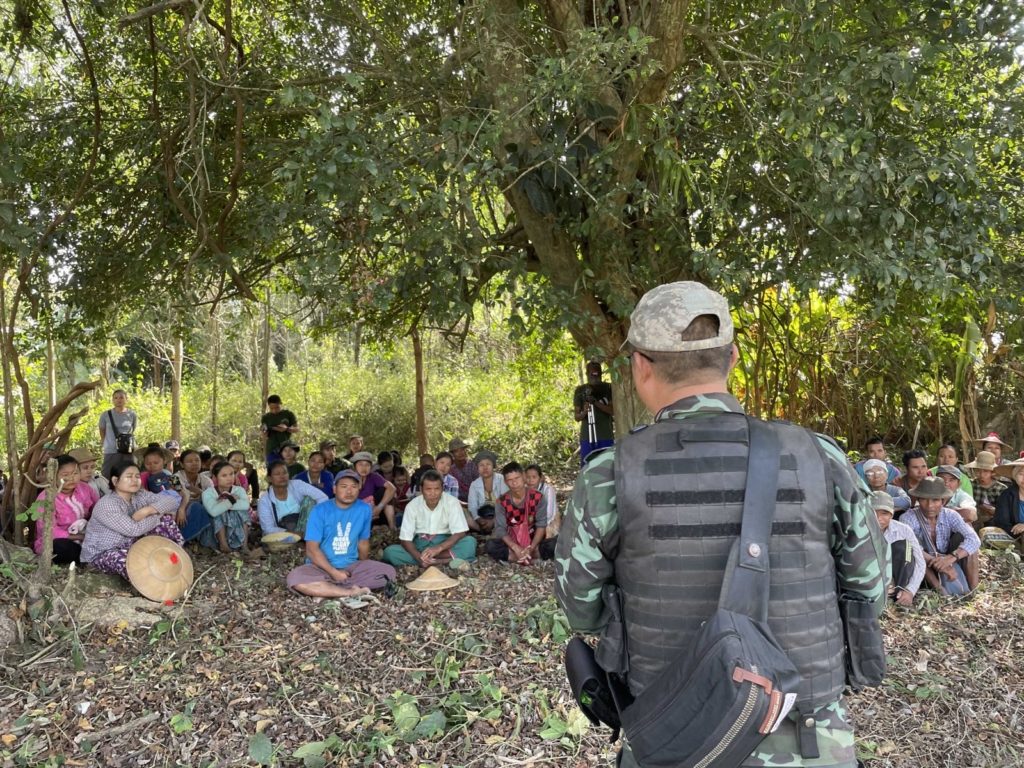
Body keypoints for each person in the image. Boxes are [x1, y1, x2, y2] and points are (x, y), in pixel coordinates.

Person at [555, 281, 886, 768]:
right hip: (809, 736)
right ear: (732, 357)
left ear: (641, 367)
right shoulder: (818, 456)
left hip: (674, 734)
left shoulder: (610, 472)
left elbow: (580, 611)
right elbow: (872, 588)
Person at [285, 470, 396, 599]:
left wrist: (363, 566)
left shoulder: (364, 509)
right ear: (334, 489)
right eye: (344, 487)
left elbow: (363, 542)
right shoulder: (319, 510)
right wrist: (334, 572)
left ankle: (327, 589)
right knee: (295, 578)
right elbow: (311, 549)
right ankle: (349, 591)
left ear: (359, 489)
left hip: (350, 566)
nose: (349, 491)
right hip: (321, 567)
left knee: (389, 572)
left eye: (353, 487)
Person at [80, 460, 184, 579]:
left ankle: (174, 558)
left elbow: (172, 500)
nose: (135, 480)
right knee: (133, 561)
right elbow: (133, 530)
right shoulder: (107, 504)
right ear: (115, 481)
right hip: (103, 553)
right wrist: (158, 514)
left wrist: (148, 510)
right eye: (129, 476)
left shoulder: (140, 494)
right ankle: (150, 582)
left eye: (137, 476)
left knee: (165, 520)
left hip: (129, 544)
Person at [902, 476, 981, 595]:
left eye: (935, 500)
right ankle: (941, 591)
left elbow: (974, 540)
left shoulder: (950, 515)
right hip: (922, 564)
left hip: (947, 556)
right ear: (918, 500)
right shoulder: (908, 517)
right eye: (924, 499)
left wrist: (950, 558)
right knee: (912, 551)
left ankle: (974, 591)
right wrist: (941, 565)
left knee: (970, 544)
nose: (930, 506)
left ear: (943, 501)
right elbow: (913, 548)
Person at [382, 470, 477, 568]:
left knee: (469, 542)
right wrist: (419, 558)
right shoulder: (412, 506)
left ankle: (435, 560)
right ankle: (444, 561)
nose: (433, 493)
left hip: (445, 544)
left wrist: (438, 548)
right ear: (421, 489)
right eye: (428, 489)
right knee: (390, 552)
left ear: (442, 489)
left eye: (437, 489)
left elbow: (460, 533)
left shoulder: (452, 502)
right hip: (419, 545)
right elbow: (405, 539)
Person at [33, 454, 99, 565]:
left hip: (87, 533)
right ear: (53, 476)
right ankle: (85, 558)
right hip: (63, 540)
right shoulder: (46, 498)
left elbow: (98, 510)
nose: (71, 478)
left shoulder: (85, 488)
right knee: (60, 548)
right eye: (65, 475)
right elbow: (49, 531)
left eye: (75, 473)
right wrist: (81, 537)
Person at [486, 462, 556, 564]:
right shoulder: (501, 501)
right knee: (490, 546)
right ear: (505, 482)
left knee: (556, 544)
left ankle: (518, 557)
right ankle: (530, 558)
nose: (514, 483)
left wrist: (531, 548)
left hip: (534, 542)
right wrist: (515, 548)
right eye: (510, 480)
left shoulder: (538, 497)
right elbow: (500, 528)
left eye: (517, 478)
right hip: (512, 542)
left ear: (523, 476)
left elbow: (541, 525)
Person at [870, 492, 924, 607]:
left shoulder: (903, 530)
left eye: (884, 513)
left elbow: (920, 563)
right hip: (871, 580)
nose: (878, 518)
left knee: (904, 546)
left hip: (895, 578)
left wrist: (910, 590)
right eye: (873, 513)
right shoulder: (860, 530)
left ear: (892, 514)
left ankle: (900, 593)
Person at [200, 461, 262, 559]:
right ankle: (224, 546)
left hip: (235, 528)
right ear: (215, 478)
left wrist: (222, 503)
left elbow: (245, 505)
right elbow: (213, 512)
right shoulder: (208, 493)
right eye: (224, 475)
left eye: (231, 474)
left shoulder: (239, 490)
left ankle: (244, 545)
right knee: (219, 512)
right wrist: (231, 500)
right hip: (214, 534)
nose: (229, 478)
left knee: (241, 511)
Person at [256, 461, 328, 538]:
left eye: (285, 473)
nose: (282, 476)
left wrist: (317, 519)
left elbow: (323, 497)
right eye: (277, 474)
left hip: (306, 529)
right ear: (269, 478)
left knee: (310, 500)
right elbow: (268, 529)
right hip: (283, 535)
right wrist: (295, 534)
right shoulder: (265, 501)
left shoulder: (297, 485)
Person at [573, 360, 614, 465]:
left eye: (597, 373)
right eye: (592, 373)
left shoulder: (608, 388)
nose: (595, 376)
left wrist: (595, 402)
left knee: (607, 466)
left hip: (605, 435)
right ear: (587, 374)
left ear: (601, 373)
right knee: (587, 466)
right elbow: (577, 417)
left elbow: (612, 410)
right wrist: (584, 412)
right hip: (587, 437)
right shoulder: (580, 390)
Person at [350, 451, 397, 530]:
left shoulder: (373, 476)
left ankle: (392, 528)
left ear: (371, 467)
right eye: (360, 464)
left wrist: (379, 507)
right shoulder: (348, 478)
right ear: (355, 466)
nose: (364, 468)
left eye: (367, 465)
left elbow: (392, 488)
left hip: (375, 512)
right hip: (357, 515)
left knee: (385, 491)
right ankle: (375, 528)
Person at [98, 389, 138, 476]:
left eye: (121, 397)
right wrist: (105, 442)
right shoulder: (105, 415)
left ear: (126, 399)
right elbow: (102, 430)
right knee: (107, 473)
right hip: (111, 448)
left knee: (130, 473)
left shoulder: (132, 414)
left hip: (128, 449)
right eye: (116, 398)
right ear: (112, 400)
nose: (119, 400)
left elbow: (133, 429)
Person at [467, 451, 506, 534]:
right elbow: (472, 507)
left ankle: (491, 530)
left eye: (488, 464)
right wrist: (479, 520)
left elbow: (506, 503)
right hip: (482, 516)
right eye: (481, 465)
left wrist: (494, 521)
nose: (485, 468)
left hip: (499, 515)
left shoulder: (501, 479)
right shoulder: (474, 484)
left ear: (493, 466)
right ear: (477, 468)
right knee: (464, 514)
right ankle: (484, 529)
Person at [965, 450, 1006, 527]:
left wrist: (994, 511)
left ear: (992, 472)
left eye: (985, 471)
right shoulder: (971, 485)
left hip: (995, 523)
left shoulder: (1001, 488)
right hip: (973, 521)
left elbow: (1006, 511)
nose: (981, 475)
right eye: (978, 471)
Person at [992, 459, 1024, 545]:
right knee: (987, 533)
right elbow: (1001, 522)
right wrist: (1019, 533)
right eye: (1021, 474)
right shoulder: (1007, 495)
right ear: (1015, 476)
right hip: (1013, 536)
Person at [260, 394, 299, 467]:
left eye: (277, 408)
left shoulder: (288, 414)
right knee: (273, 471)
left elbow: (296, 429)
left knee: (288, 471)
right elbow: (264, 434)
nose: (274, 410)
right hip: (272, 449)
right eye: (271, 408)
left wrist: (286, 429)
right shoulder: (266, 417)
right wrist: (264, 432)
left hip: (287, 449)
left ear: (280, 404)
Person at [525, 463, 560, 537]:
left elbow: (549, 514)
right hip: (531, 520)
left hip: (549, 521)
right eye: (528, 477)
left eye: (534, 477)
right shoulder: (524, 490)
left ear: (540, 478)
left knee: (547, 530)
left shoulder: (548, 490)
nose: (530, 480)